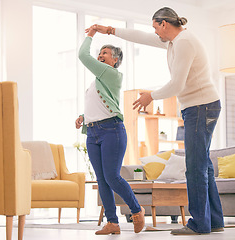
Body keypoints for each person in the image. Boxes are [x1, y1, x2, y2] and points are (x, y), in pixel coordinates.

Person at [89, 6, 224, 235]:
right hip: (201, 105)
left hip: (200, 106)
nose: (155, 33)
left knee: (195, 167)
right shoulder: (174, 41)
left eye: (156, 28)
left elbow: (177, 85)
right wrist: (110, 30)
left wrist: (150, 95)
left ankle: (200, 223)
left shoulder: (184, 42)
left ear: (164, 24)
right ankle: (214, 221)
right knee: (204, 166)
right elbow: (141, 38)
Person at [75, 25, 145, 235]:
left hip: (111, 130)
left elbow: (82, 55)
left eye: (104, 53)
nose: (100, 55)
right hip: (94, 132)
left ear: (114, 60)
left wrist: (91, 34)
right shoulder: (98, 81)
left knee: (112, 176)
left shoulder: (112, 74)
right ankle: (112, 222)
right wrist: (83, 117)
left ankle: (136, 210)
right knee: (102, 178)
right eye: (100, 52)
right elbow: (98, 104)